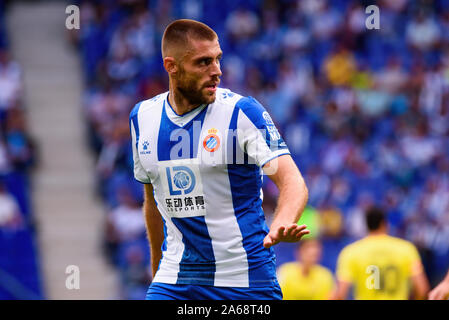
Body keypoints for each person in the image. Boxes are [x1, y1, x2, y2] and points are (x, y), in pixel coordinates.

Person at [129, 19, 309, 300]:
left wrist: (281, 223)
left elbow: (292, 181)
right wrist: (158, 272)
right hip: (176, 280)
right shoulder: (142, 118)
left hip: (244, 280)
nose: (217, 71)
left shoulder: (242, 113)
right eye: (203, 62)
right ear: (171, 66)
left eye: (218, 59)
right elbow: (153, 202)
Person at [334, 206, 430, 300]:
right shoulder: (406, 249)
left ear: (367, 225)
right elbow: (422, 289)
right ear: (384, 223)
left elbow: (341, 293)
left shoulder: (351, 252)